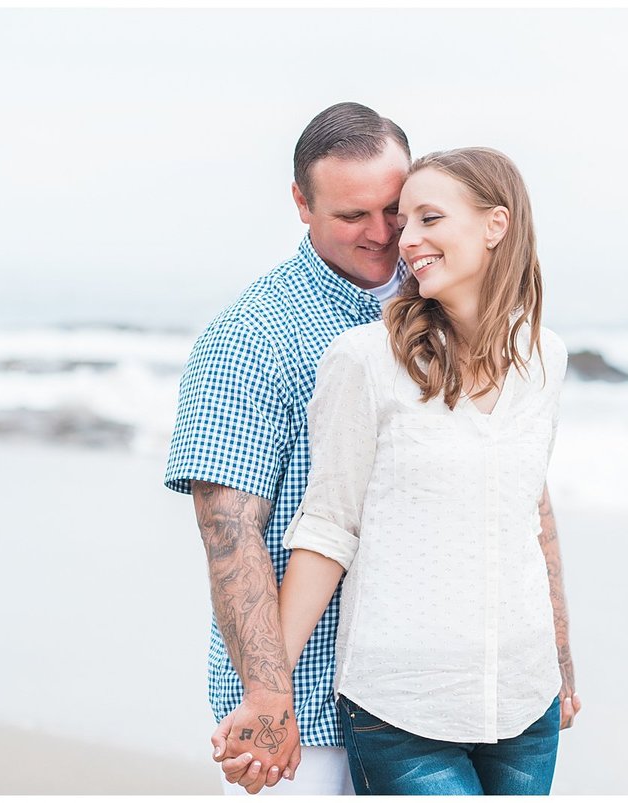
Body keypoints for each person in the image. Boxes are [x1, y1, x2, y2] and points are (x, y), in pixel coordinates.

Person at [227, 147, 582, 795]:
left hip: (526, 705)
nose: (405, 239)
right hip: (402, 711)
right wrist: (266, 693)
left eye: (427, 218)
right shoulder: (365, 359)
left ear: (495, 225)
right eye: (403, 219)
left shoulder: (544, 357)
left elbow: (528, 514)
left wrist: (559, 659)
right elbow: (328, 529)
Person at [164, 101, 413, 796]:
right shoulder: (250, 337)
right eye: (352, 215)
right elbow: (230, 536)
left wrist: (556, 653)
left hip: (422, 705)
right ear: (302, 203)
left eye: (395, 207)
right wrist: (271, 703)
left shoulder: (446, 312)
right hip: (306, 712)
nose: (382, 232)